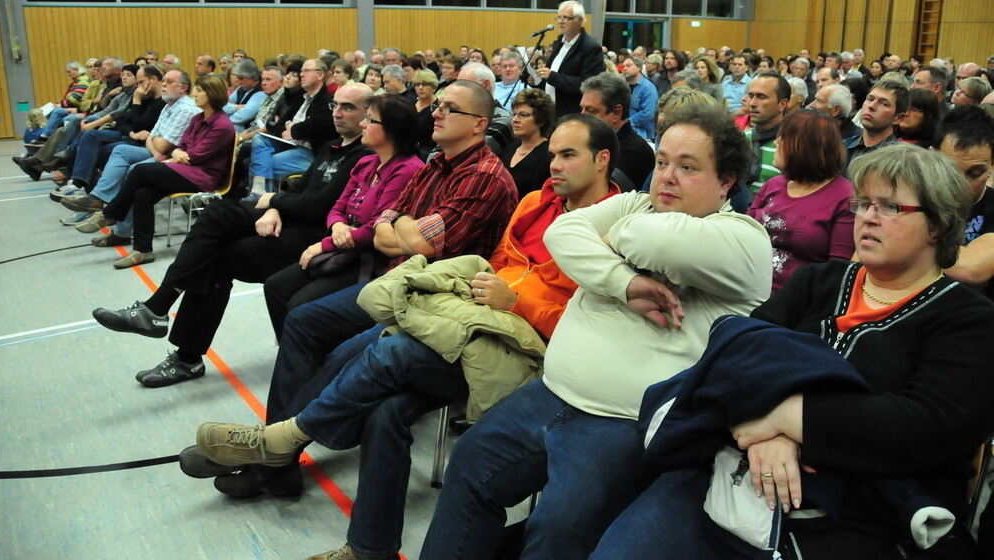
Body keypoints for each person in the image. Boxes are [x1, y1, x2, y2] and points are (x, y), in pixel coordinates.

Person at [188, 114, 623, 560]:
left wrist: (515, 304)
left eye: (568, 155)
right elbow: (477, 256)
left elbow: (588, 319)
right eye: (553, 154)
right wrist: (476, 288)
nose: (554, 165)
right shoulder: (535, 201)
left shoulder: (614, 230)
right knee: (384, 408)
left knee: (388, 346)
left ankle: (282, 441)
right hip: (471, 319)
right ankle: (368, 548)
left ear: (602, 159)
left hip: (522, 347)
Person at [592, 144, 994, 560]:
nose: (868, 217)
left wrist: (784, 420)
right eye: (863, 203)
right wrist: (771, 435)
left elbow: (925, 428)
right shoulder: (820, 281)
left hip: (862, 513)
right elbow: (731, 351)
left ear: (936, 226)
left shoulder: (967, 318)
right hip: (734, 472)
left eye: (890, 207)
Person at [417, 105, 771, 560]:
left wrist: (606, 237)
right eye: (662, 162)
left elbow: (655, 241)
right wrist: (624, 283)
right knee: (469, 471)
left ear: (726, 182)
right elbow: (562, 234)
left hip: (624, 423)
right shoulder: (638, 204)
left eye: (687, 167)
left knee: (559, 532)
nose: (666, 177)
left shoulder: (743, 239)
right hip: (550, 391)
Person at [91, 83, 374, 387]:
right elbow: (298, 189)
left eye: (348, 107)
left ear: (366, 115)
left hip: (312, 240)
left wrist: (274, 202)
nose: (338, 113)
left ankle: (163, 316)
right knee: (214, 246)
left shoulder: (362, 156)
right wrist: (275, 209)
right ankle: (174, 338)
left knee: (217, 230)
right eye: (335, 106)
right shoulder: (331, 146)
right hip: (286, 221)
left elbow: (318, 207)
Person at [262, 95, 425, 337]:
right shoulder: (366, 163)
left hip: (372, 258)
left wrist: (323, 244)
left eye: (370, 120)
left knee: (300, 306)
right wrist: (338, 228)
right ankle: (295, 355)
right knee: (275, 286)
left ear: (391, 130)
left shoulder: (408, 170)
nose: (362, 125)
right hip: (344, 246)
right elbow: (337, 208)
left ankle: (309, 361)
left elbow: (377, 227)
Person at [90, 74, 235, 267]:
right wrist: (177, 152)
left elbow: (195, 156)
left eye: (199, 90)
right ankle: (143, 250)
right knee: (143, 194)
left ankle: (111, 213)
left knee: (140, 171)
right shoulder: (198, 118)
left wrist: (180, 153)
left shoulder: (222, 125)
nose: (194, 94)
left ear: (212, 94)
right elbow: (181, 146)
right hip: (185, 169)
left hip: (203, 177)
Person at [747, 109, 855, 292]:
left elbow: (836, 272)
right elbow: (744, 231)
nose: (776, 143)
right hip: (748, 287)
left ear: (804, 146)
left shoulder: (844, 196)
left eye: (782, 138)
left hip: (796, 302)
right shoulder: (773, 184)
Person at [247, 58, 336, 196]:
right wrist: (291, 128)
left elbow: (314, 126)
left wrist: (293, 129)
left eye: (306, 71)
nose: (301, 74)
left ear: (320, 75)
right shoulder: (301, 98)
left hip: (309, 152)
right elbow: (279, 126)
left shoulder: (326, 101)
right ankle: (263, 195)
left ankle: (260, 196)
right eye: (301, 71)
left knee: (262, 164)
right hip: (288, 144)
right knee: (259, 139)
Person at [937, 107, 994, 297]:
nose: (961, 185)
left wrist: (896, 248)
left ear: (992, 165)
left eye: (975, 174)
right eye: (950, 171)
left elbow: (971, 268)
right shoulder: (911, 196)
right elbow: (860, 258)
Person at [578, 72, 655, 190]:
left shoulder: (634, 152)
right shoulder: (596, 142)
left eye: (591, 111)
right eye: (582, 109)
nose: (582, 117)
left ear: (616, 113)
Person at [535, 0, 606, 116]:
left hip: (572, 113)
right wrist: (537, 80)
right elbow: (550, 77)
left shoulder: (590, 47)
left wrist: (552, 76)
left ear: (580, 20)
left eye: (566, 18)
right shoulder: (559, 43)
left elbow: (589, 84)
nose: (561, 22)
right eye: (559, 18)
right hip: (551, 111)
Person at [499, 88, 554, 196]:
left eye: (523, 115)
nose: (515, 119)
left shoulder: (548, 154)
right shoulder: (509, 148)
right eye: (514, 114)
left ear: (541, 120)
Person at [846, 79, 906, 167]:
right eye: (870, 99)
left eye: (884, 104)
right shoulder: (841, 147)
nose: (871, 106)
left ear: (898, 118)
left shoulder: (903, 160)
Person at [622, 57, 659, 142]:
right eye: (624, 66)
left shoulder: (648, 88)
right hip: (625, 130)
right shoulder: (623, 86)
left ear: (639, 68)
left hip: (643, 134)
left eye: (628, 66)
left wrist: (626, 122)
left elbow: (648, 113)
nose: (625, 68)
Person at [411, 68, 440, 153]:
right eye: (417, 84)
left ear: (433, 87)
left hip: (430, 151)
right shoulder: (411, 104)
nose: (420, 87)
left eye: (425, 84)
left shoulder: (439, 106)